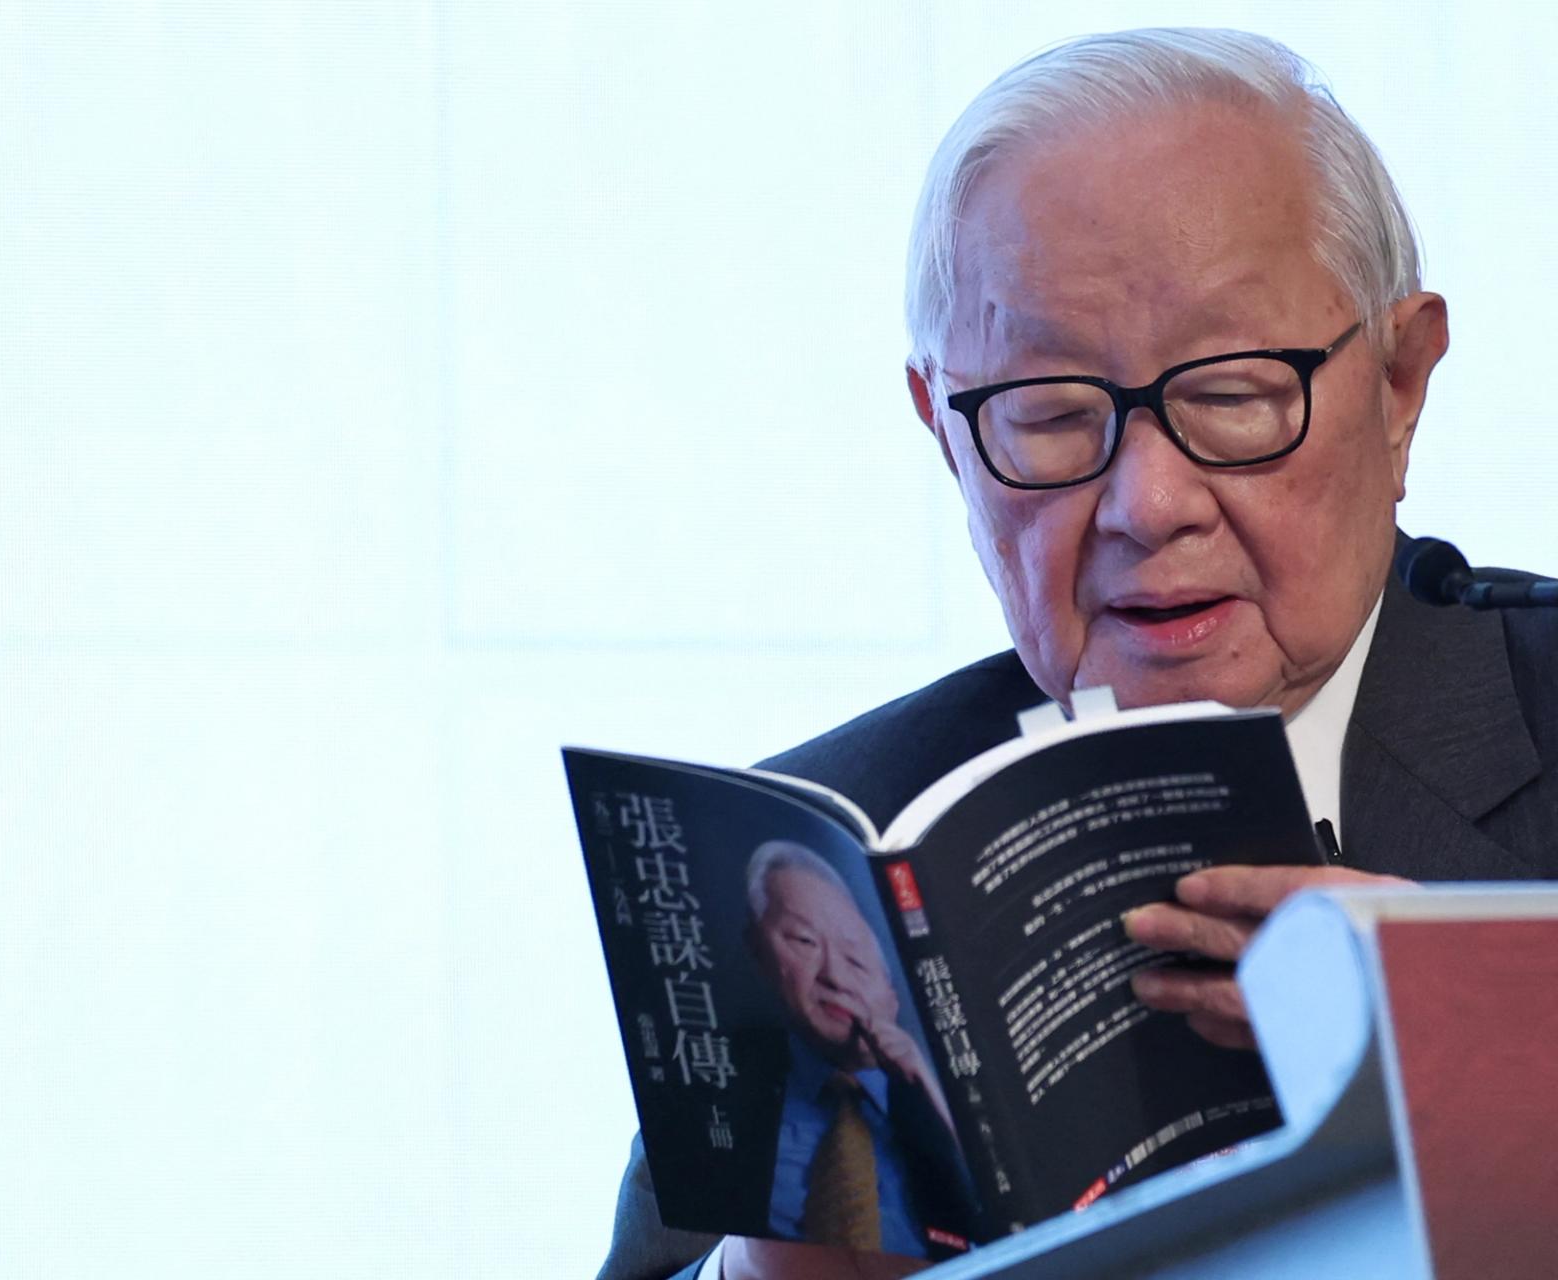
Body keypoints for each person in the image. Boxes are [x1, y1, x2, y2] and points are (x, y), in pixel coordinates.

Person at [597, 26, 1558, 1280]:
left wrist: (1487, 1057)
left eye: (1231, 392)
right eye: (1050, 416)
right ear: (946, 434)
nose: (1147, 502)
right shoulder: (819, 850)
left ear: (1399, 380)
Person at [737, 841, 978, 1258]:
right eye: (804, 940)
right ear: (757, 948)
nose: (833, 975)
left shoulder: (960, 1098)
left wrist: (936, 1103)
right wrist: (731, 1268)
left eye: (857, 961)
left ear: (892, 995)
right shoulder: (709, 1091)